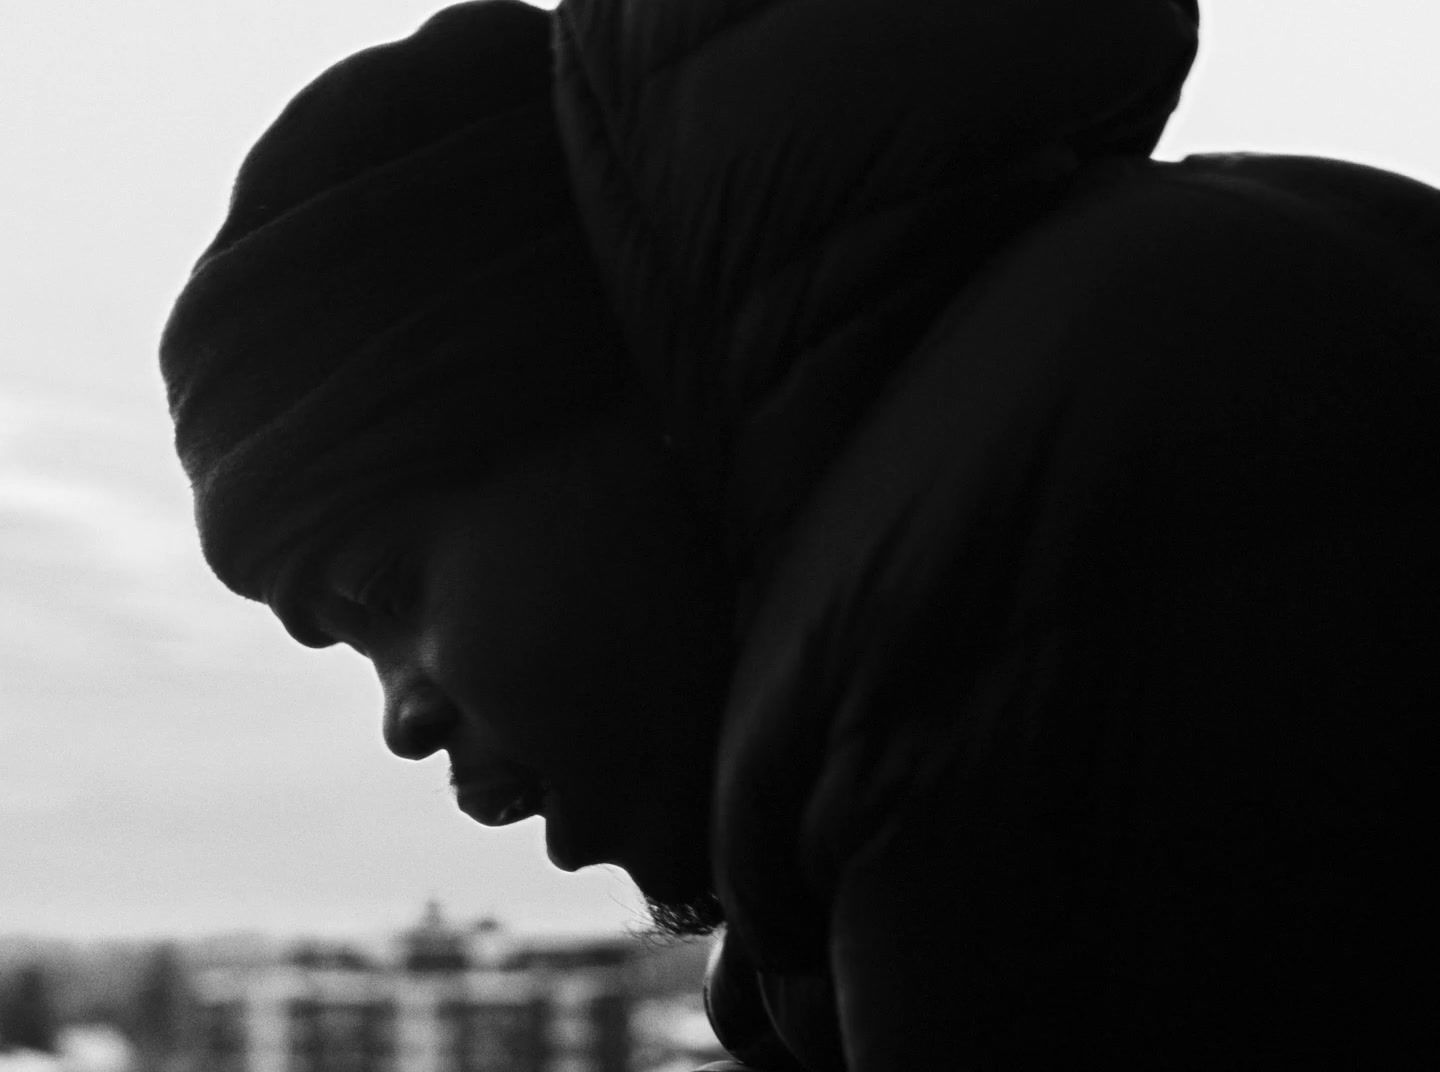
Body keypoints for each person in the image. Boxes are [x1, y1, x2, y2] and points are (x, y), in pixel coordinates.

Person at [161, 0, 1440, 1066]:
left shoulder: (1041, 569)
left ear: (606, 385)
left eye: (385, 588)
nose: (406, 722)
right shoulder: (1089, 397)